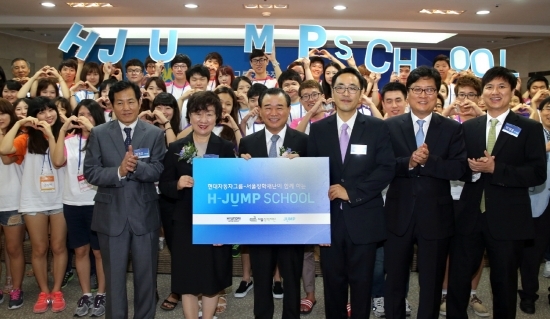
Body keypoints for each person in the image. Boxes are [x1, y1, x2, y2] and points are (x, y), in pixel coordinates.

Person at [446, 66, 547, 319]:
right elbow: (459, 168)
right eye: (490, 87)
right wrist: (471, 170)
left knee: (504, 282)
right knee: (458, 279)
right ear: (482, 94)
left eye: (502, 87)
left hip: (507, 219)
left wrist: (496, 168)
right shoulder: (469, 128)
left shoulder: (528, 128)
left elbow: (537, 174)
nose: (495, 92)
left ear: (513, 90)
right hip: (469, 216)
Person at [307, 67, 395, 319]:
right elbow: (313, 175)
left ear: (360, 93)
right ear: (331, 92)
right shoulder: (319, 129)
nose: (346, 93)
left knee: (362, 284)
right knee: (333, 285)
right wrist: (317, 226)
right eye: (340, 88)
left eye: (352, 88)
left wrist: (351, 192)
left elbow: (386, 168)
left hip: (364, 217)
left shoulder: (377, 127)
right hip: (330, 222)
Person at [384, 66, 467, 319]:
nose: (423, 95)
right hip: (398, 214)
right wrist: (408, 162)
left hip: (436, 215)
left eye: (429, 89)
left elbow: (459, 168)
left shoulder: (452, 128)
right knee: (395, 279)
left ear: (438, 93)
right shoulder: (389, 126)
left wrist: (428, 162)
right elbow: (382, 166)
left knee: (430, 282)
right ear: (408, 94)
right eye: (417, 89)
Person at [83, 80, 166, 319]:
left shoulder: (154, 133)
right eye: (120, 102)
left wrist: (137, 167)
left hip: (145, 217)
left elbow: (159, 169)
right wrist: (119, 171)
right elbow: (91, 171)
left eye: (131, 101)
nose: (126, 107)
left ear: (140, 102)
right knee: (115, 281)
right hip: (111, 218)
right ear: (111, 105)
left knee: (146, 279)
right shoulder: (98, 133)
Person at [159, 91, 234, 319]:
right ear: (189, 117)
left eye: (209, 114)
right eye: (198, 113)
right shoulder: (176, 148)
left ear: (217, 117)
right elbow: (163, 185)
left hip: (215, 224)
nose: (203, 119)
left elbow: (232, 189)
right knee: (188, 279)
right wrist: (178, 184)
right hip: (185, 224)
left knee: (212, 277)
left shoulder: (226, 148)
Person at [239, 87, 308, 319]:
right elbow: (244, 186)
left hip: (292, 224)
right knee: (261, 281)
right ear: (259, 110)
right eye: (267, 107)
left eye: (280, 107)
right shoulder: (248, 143)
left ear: (289, 109)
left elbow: (314, 181)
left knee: (291, 280)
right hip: (260, 226)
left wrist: (303, 165)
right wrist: (241, 167)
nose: (274, 112)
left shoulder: (304, 142)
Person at [0, 97, 67, 313]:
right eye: (41, 112)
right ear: (34, 115)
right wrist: (19, 124)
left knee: (58, 246)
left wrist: (54, 131)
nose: (47, 115)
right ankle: (43, 291)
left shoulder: (64, 134)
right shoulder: (26, 139)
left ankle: (56, 290)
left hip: (60, 199)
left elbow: (60, 162)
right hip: (32, 200)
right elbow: (5, 149)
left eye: (51, 110)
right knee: (39, 249)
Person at [51, 99, 106, 317]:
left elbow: (110, 158)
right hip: (72, 202)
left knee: (99, 251)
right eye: (80, 114)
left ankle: (102, 292)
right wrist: (63, 129)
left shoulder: (103, 138)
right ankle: (86, 293)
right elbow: (56, 161)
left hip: (97, 202)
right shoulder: (69, 140)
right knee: (81, 250)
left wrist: (94, 130)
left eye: (89, 114)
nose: (84, 118)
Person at [516, 96, 550, 314]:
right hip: (538, 199)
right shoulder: (532, 133)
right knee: (533, 253)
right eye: (547, 108)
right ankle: (528, 294)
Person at [0, 98, 26, 310]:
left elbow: (7, 157)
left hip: (12, 201)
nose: (0, 117)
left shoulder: (19, 138)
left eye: (4, 113)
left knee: (13, 248)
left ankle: (16, 288)